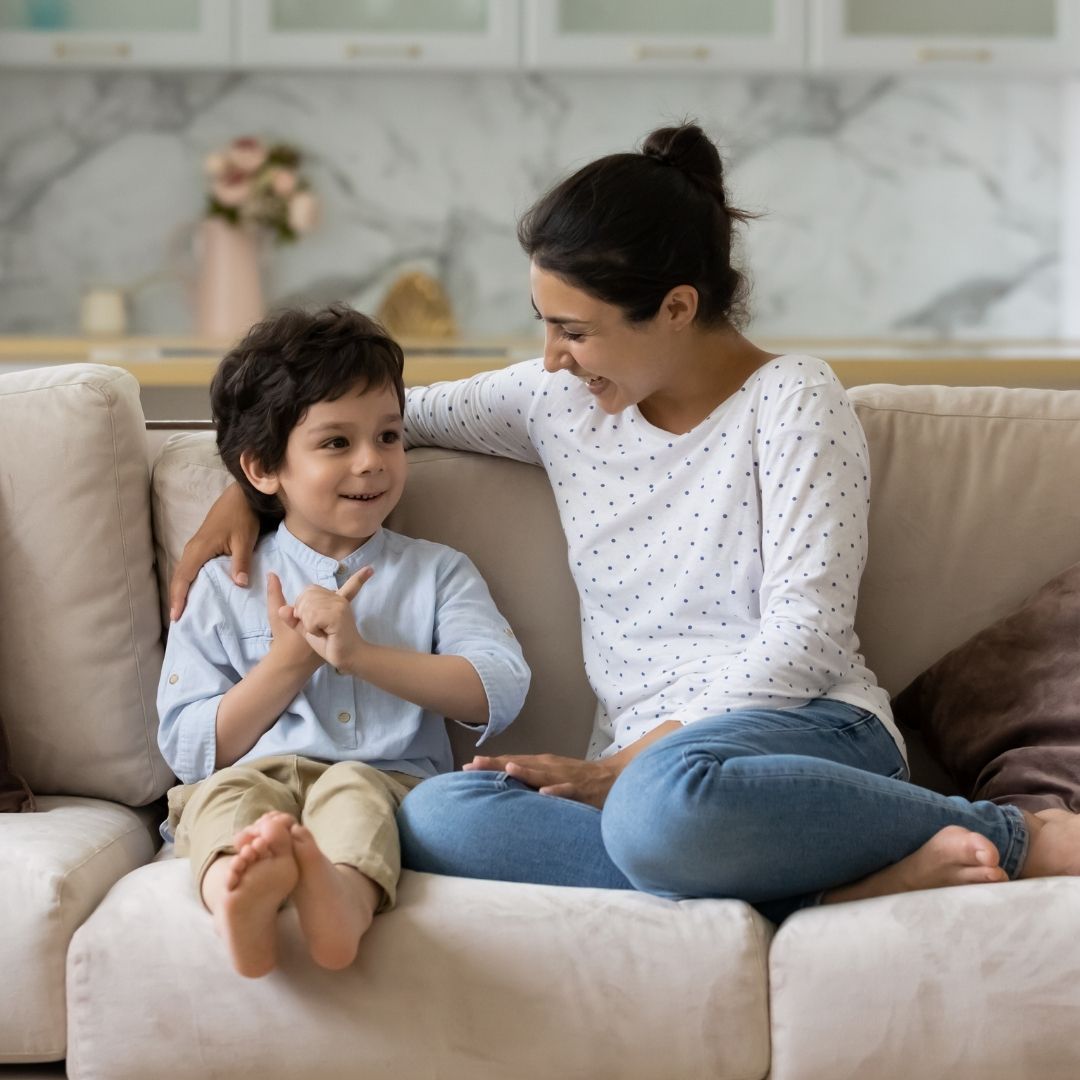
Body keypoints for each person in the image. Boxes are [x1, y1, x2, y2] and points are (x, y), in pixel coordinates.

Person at [170, 125, 1080, 922]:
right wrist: (244, 490)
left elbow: (807, 638)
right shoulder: (556, 399)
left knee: (662, 807)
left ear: (677, 308)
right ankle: (829, 891)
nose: (551, 357)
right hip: (644, 775)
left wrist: (636, 761)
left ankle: (1009, 834)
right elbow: (362, 417)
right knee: (437, 814)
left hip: (798, 731)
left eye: (576, 330)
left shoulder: (795, 403)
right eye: (545, 324)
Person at [158, 305, 529, 977]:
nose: (372, 462)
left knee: (354, 793)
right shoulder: (223, 586)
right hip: (249, 774)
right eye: (336, 443)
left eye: (388, 436)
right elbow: (189, 749)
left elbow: (497, 688)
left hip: (386, 781)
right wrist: (287, 665)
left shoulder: (437, 571)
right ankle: (237, 896)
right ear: (264, 469)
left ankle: (338, 907)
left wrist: (360, 657)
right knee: (221, 803)